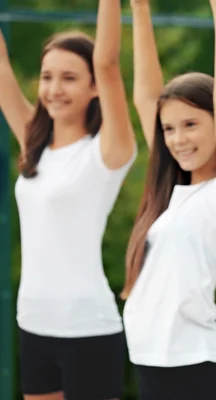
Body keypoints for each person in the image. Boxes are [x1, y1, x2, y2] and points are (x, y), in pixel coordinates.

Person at [0, 0, 137, 399]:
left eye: (69, 78)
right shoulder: (34, 142)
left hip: (88, 330)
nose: (54, 89)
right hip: (33, 322)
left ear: (94, 87)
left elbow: (108, 63)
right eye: (46, 77)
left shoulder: (108, 151)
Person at [123, 0, 216, 398]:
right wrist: (140, 9)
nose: (178, 139)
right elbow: (146, 97)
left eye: (191, 124)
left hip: (194, 371)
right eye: (169, 128)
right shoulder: (173, 194)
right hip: (151, 364)